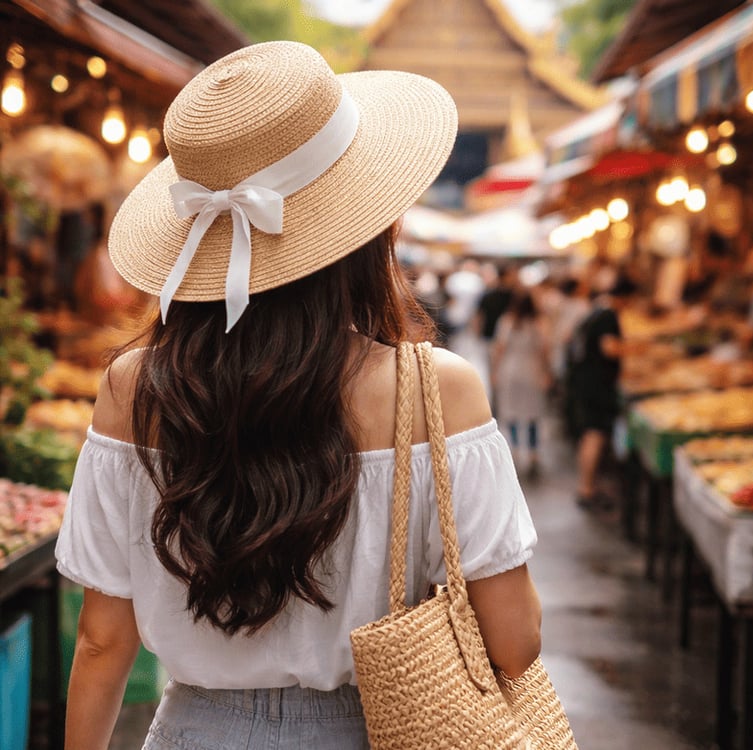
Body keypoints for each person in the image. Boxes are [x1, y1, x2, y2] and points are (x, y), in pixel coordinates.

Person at [55, 42, 542, 750]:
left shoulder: (132, 388)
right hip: (377, 729)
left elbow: (103, 639)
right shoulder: (435, 389)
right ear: (365, 225)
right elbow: (515, 643)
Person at [565, 275, 634, 508]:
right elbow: (609, 348)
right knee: (594, 434)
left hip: (585, 382)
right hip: (596, 384)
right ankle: (586, 489)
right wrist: (636, 349)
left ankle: (588, 484)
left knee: (589, 434)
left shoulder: (596, 309)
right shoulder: (608, 315)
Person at [491, 292, 550, 477]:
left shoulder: (507, 321)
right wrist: (546, 372)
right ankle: (533, 454)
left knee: (513, 412)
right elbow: (544, 350)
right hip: (531, 372)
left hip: (510, 371)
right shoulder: (538, 323)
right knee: (532, 413)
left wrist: (494, 371)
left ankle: (515, 450)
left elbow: (499, 348)